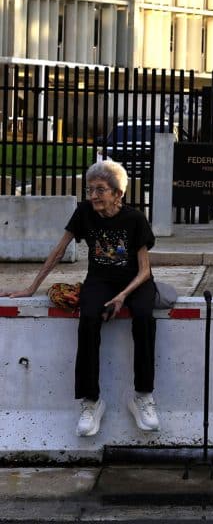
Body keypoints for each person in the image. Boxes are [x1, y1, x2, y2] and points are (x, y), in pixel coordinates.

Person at [3, 160, 159, 437]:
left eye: (100, 190)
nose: (94, 196)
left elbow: (145, 270)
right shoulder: (84, 212)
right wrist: (31, 287)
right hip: (100, 279)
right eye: (90, 190)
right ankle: (91, 401)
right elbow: (59, 250)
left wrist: (122, 297)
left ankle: (142, 396)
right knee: (88, 319)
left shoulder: (135, 219)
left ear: (118, 194)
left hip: (135, 282)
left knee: (144, 317)